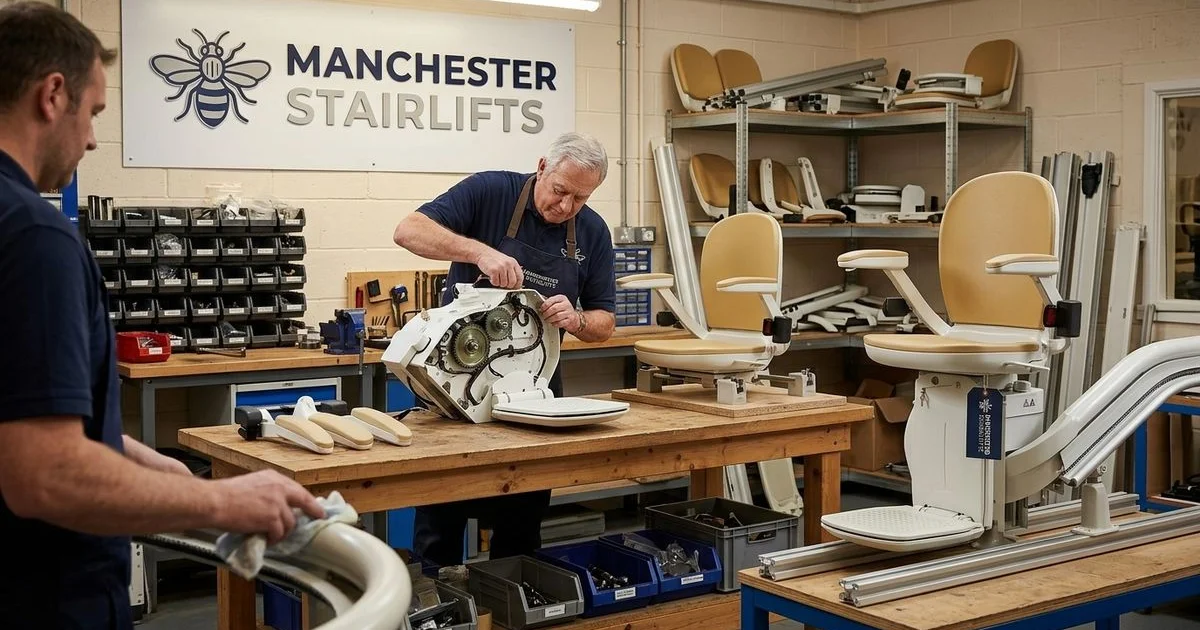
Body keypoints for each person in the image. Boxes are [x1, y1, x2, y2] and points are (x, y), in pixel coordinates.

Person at [0, 4, 325, 628]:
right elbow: (47, 475)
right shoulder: (34, 237)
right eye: (93, 114)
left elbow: (14, 407)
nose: (93, 139)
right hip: (41, 595)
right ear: (52, 95)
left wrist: (131, 455)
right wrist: (217, 499)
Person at [392, 131, 617, 566]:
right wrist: (480, 253)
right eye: (560, 191)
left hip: (535, 396)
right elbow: (408, 230)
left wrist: (578, 320)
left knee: (521, 526)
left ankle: (511, 603)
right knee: (442, 517)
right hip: (455, 386)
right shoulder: (491, 191)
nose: (566, 206)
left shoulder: (592, 232)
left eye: (581, 198)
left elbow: (605, 322)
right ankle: (441, 608)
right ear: (541, 168)